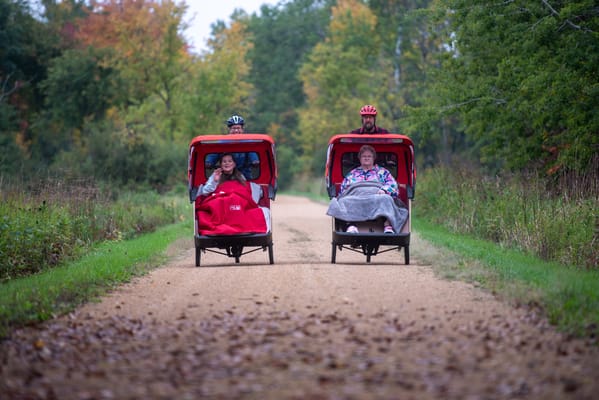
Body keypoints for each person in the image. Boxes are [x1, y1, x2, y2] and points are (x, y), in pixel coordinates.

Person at [326, 145, 408, 234]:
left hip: (376, 196)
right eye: (364, 156)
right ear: (360, 158)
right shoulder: (353, 173)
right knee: (345, 200)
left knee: (386, 199)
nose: (366, 158)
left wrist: (384, 190)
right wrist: (350, 193)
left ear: (373, 158)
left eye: (369, 156)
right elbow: (344, 190)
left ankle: (388, 226)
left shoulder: (382, 172)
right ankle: (351, 225)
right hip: (357, 197)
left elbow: (393, 185)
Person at [197, 153, 267, 235]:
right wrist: (215, 181)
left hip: (237, 201)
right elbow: (205, 191)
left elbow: (245, 190)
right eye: (224, 161)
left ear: (234, 164)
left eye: (230, 161)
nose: (227, 163)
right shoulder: (216, 174)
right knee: (219, 202)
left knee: (236, 199)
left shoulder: (240, 176)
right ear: (221, 164)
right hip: (220, 200)